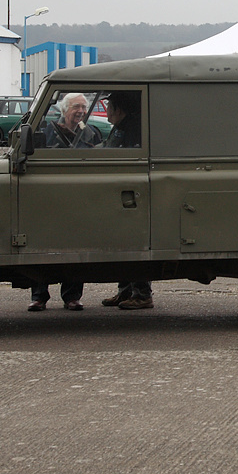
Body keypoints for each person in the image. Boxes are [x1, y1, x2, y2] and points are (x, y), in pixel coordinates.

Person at [27, 93, 100, 311]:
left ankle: (72, 296)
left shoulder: (91, 134)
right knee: (41, 246)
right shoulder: (47, 132)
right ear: (65, 109)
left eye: (83, 108)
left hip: (80, 198)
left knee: (76, 248)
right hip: (49, 197)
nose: (80, 111)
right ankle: (39, 296)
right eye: (76, 107)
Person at [99, 91, 155, 310]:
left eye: (109, 108)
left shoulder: (133, 128)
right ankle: (125, 291)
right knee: (122, 243)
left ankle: (142, 294)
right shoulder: (123, 126)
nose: (107, 113)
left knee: (133, 243)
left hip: (130, 192)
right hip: (121, 189)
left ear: (118, 110)